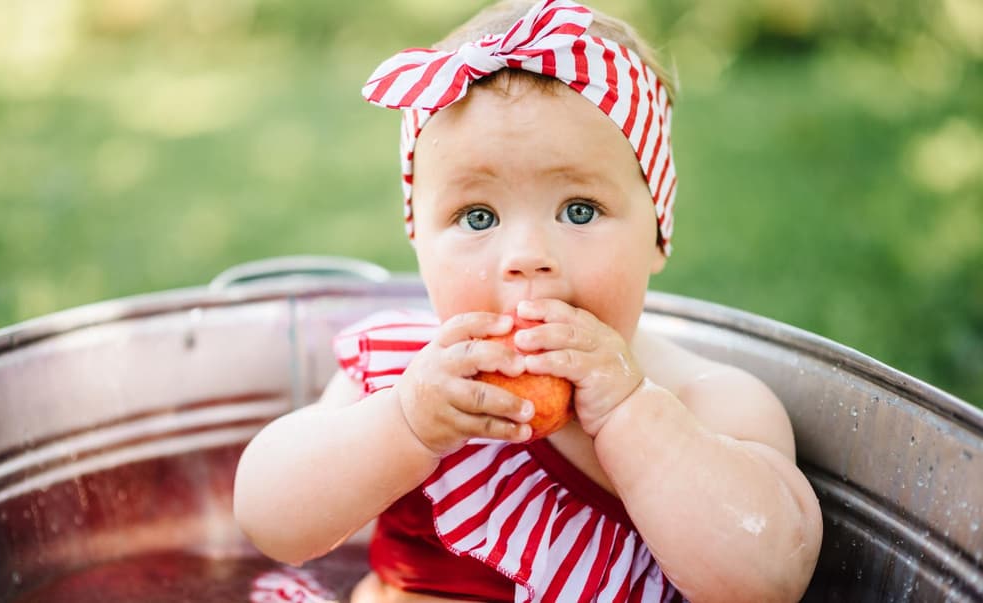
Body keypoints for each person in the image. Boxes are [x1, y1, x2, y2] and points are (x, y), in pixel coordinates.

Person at [233, 1, 823, 601]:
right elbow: (269, 521)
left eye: (580, 210)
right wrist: (404, 426)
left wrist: (632, 417)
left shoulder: (706, 401)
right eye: (478, 215)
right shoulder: (399, 375)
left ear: (657, 233)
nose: (526, 255)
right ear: (419, 240)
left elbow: (768, 581)